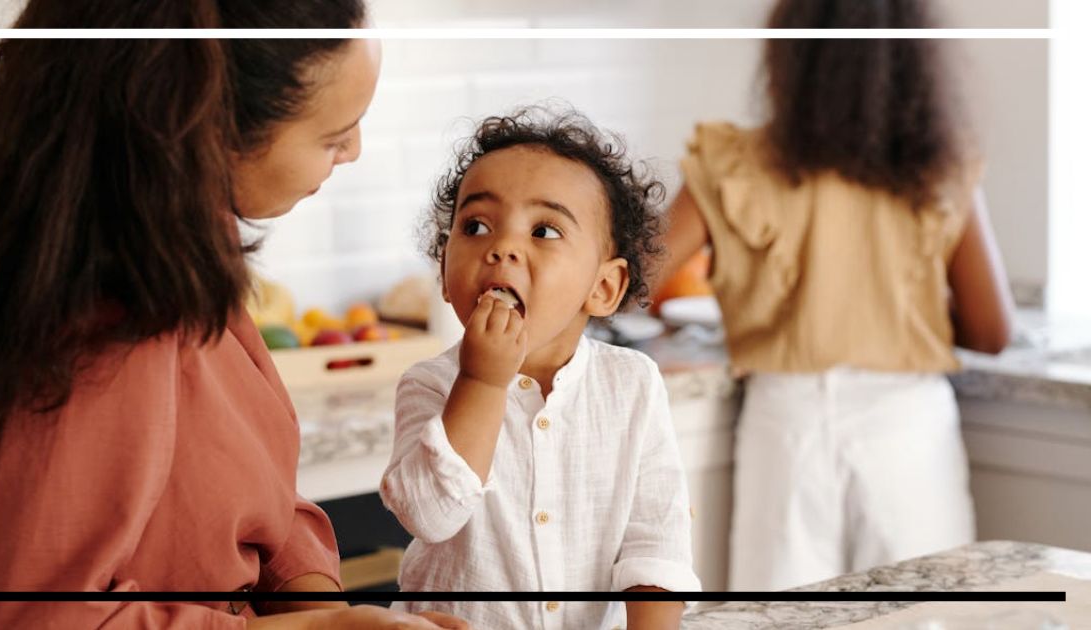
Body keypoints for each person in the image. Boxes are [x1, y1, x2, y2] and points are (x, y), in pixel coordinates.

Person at [0, 1, 468, 628]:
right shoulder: (104, 324)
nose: (354, 151)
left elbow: (261, 508)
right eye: (333, 135)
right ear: (206, 128)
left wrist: (337, 617)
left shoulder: (182, 262)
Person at [653, 0, 1015, 591]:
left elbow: (627, 281)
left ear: (790, 53)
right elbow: (991, 331)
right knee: (927, 616)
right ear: (913, 56)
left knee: (780, 616)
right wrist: (890, 301)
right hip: (908, 426)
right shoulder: (938, 165)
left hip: (786, 424)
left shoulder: (733, 164)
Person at [380, 108, 702, 630]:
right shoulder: (430, 384)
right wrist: (483, 381)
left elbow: (656, 538)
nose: (501, 247)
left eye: (545, 230)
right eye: (476, 225)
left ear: (604, 288)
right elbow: (430, 514)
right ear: (443, 271)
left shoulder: (633, 385)